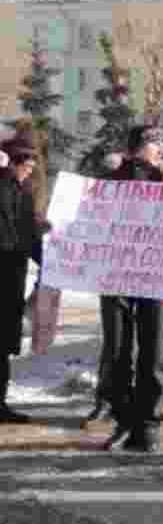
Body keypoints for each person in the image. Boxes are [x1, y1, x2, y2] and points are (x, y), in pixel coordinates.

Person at [100, 125, 163, 452]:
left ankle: (148, 426)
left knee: (153, 351)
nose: (158, 148)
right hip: (116, 272)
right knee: (118, 351)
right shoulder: (115, 176)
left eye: (161, 143)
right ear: (136, 147)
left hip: (156, 274)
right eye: (151, 143)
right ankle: (123, 420)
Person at [0, 140, 45, 423]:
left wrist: (48, 262)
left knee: (3, 342)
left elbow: (28, 232)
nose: (29, 172)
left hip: (12, 274)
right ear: (13, 163)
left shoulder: (23, 190)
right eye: (25, 167)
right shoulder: (5, 187)